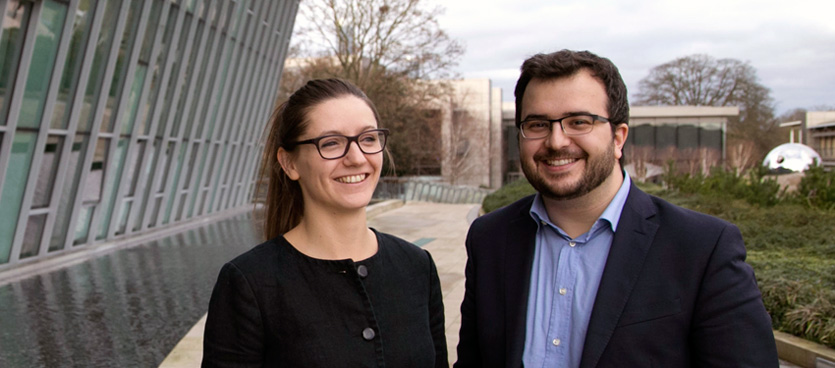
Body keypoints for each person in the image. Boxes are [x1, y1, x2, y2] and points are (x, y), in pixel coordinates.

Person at [454, 50, 778, 368]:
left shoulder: (702, 249)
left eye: (578, 121)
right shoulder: (489, 239)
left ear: (618, 138)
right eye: (538, 124)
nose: (555, 141)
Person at [202, 78, 448, 367]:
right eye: (331, 143)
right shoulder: (249, 284)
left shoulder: (417, 266)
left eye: (368, 139)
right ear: (290, 164)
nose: (356, 158)